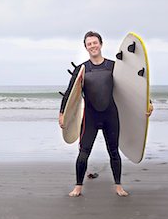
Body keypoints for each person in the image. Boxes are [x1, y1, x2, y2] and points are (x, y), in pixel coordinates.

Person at [59, 31, 153, 197]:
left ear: (101, 44)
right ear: (86, 47)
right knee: (83, 152)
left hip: (110, 115)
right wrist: (62, 114)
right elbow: (69, 93)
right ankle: (78, 186)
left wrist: (148, 104)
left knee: (114, 152)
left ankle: (118, 186)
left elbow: (133, 88)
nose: (93, 46)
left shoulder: (114, 66)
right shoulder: (82, 69)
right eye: (89, 44)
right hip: (90, 117)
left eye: (95, 43)